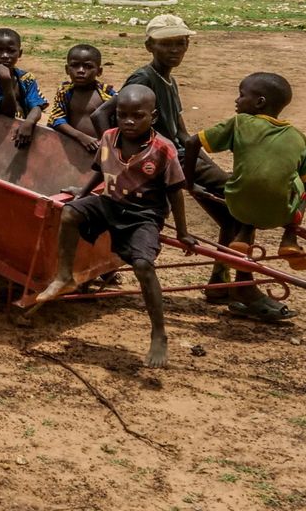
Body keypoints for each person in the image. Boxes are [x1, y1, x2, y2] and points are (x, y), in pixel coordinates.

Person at [33, 86, 196, 368]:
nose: (129, 121)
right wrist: (82, 195)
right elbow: (99, 168)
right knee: (70, 212)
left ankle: (159, 333)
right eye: (122, 115)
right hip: (109, 202)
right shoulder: (109, 137)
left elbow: (175, 193)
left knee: (144, 266)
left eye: (137, 116)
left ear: (153, 117)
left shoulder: (163, 149)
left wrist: (182, 232)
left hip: (143, 214)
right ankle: (64, 276)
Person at [185, 73, 306, 321]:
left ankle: (242, 235)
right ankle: (290, 237)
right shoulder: (299, 138)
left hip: (237, 205)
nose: (237, 100)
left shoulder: (240, 122)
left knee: (243, 180)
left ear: (259, 102)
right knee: (300, 183)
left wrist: (188, 182)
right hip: (278, 213)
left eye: (242, 95)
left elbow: (191, 142)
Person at [90, 15, 228, 208]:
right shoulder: (143, 79)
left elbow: (182, 134)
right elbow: (100, 114)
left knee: (223, 198)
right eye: (165, 44)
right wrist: (115, 157)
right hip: (160, 155)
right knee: (232, 189)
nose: (174, 50)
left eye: (180, 43)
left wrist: (208, 164)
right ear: (149, 46)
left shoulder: (169, 81)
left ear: (187, 45)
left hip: (177, 153)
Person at [0, 28, 50, 146]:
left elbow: (36, 106)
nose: (5, 56)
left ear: (19, 53)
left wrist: (29, 122)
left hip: (23, 132)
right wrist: (6, 82)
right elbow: (7, 113)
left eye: (11, 51)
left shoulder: (27, 78)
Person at [48, 45, 114, 152]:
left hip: (104, 149)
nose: (81, 71)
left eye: (88, 66)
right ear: (67, 69)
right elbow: (56, 119)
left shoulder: (107, 93)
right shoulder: (65, 92)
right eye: (74, 66)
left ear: (99, 71)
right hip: (73, 147)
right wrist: (81, 137)